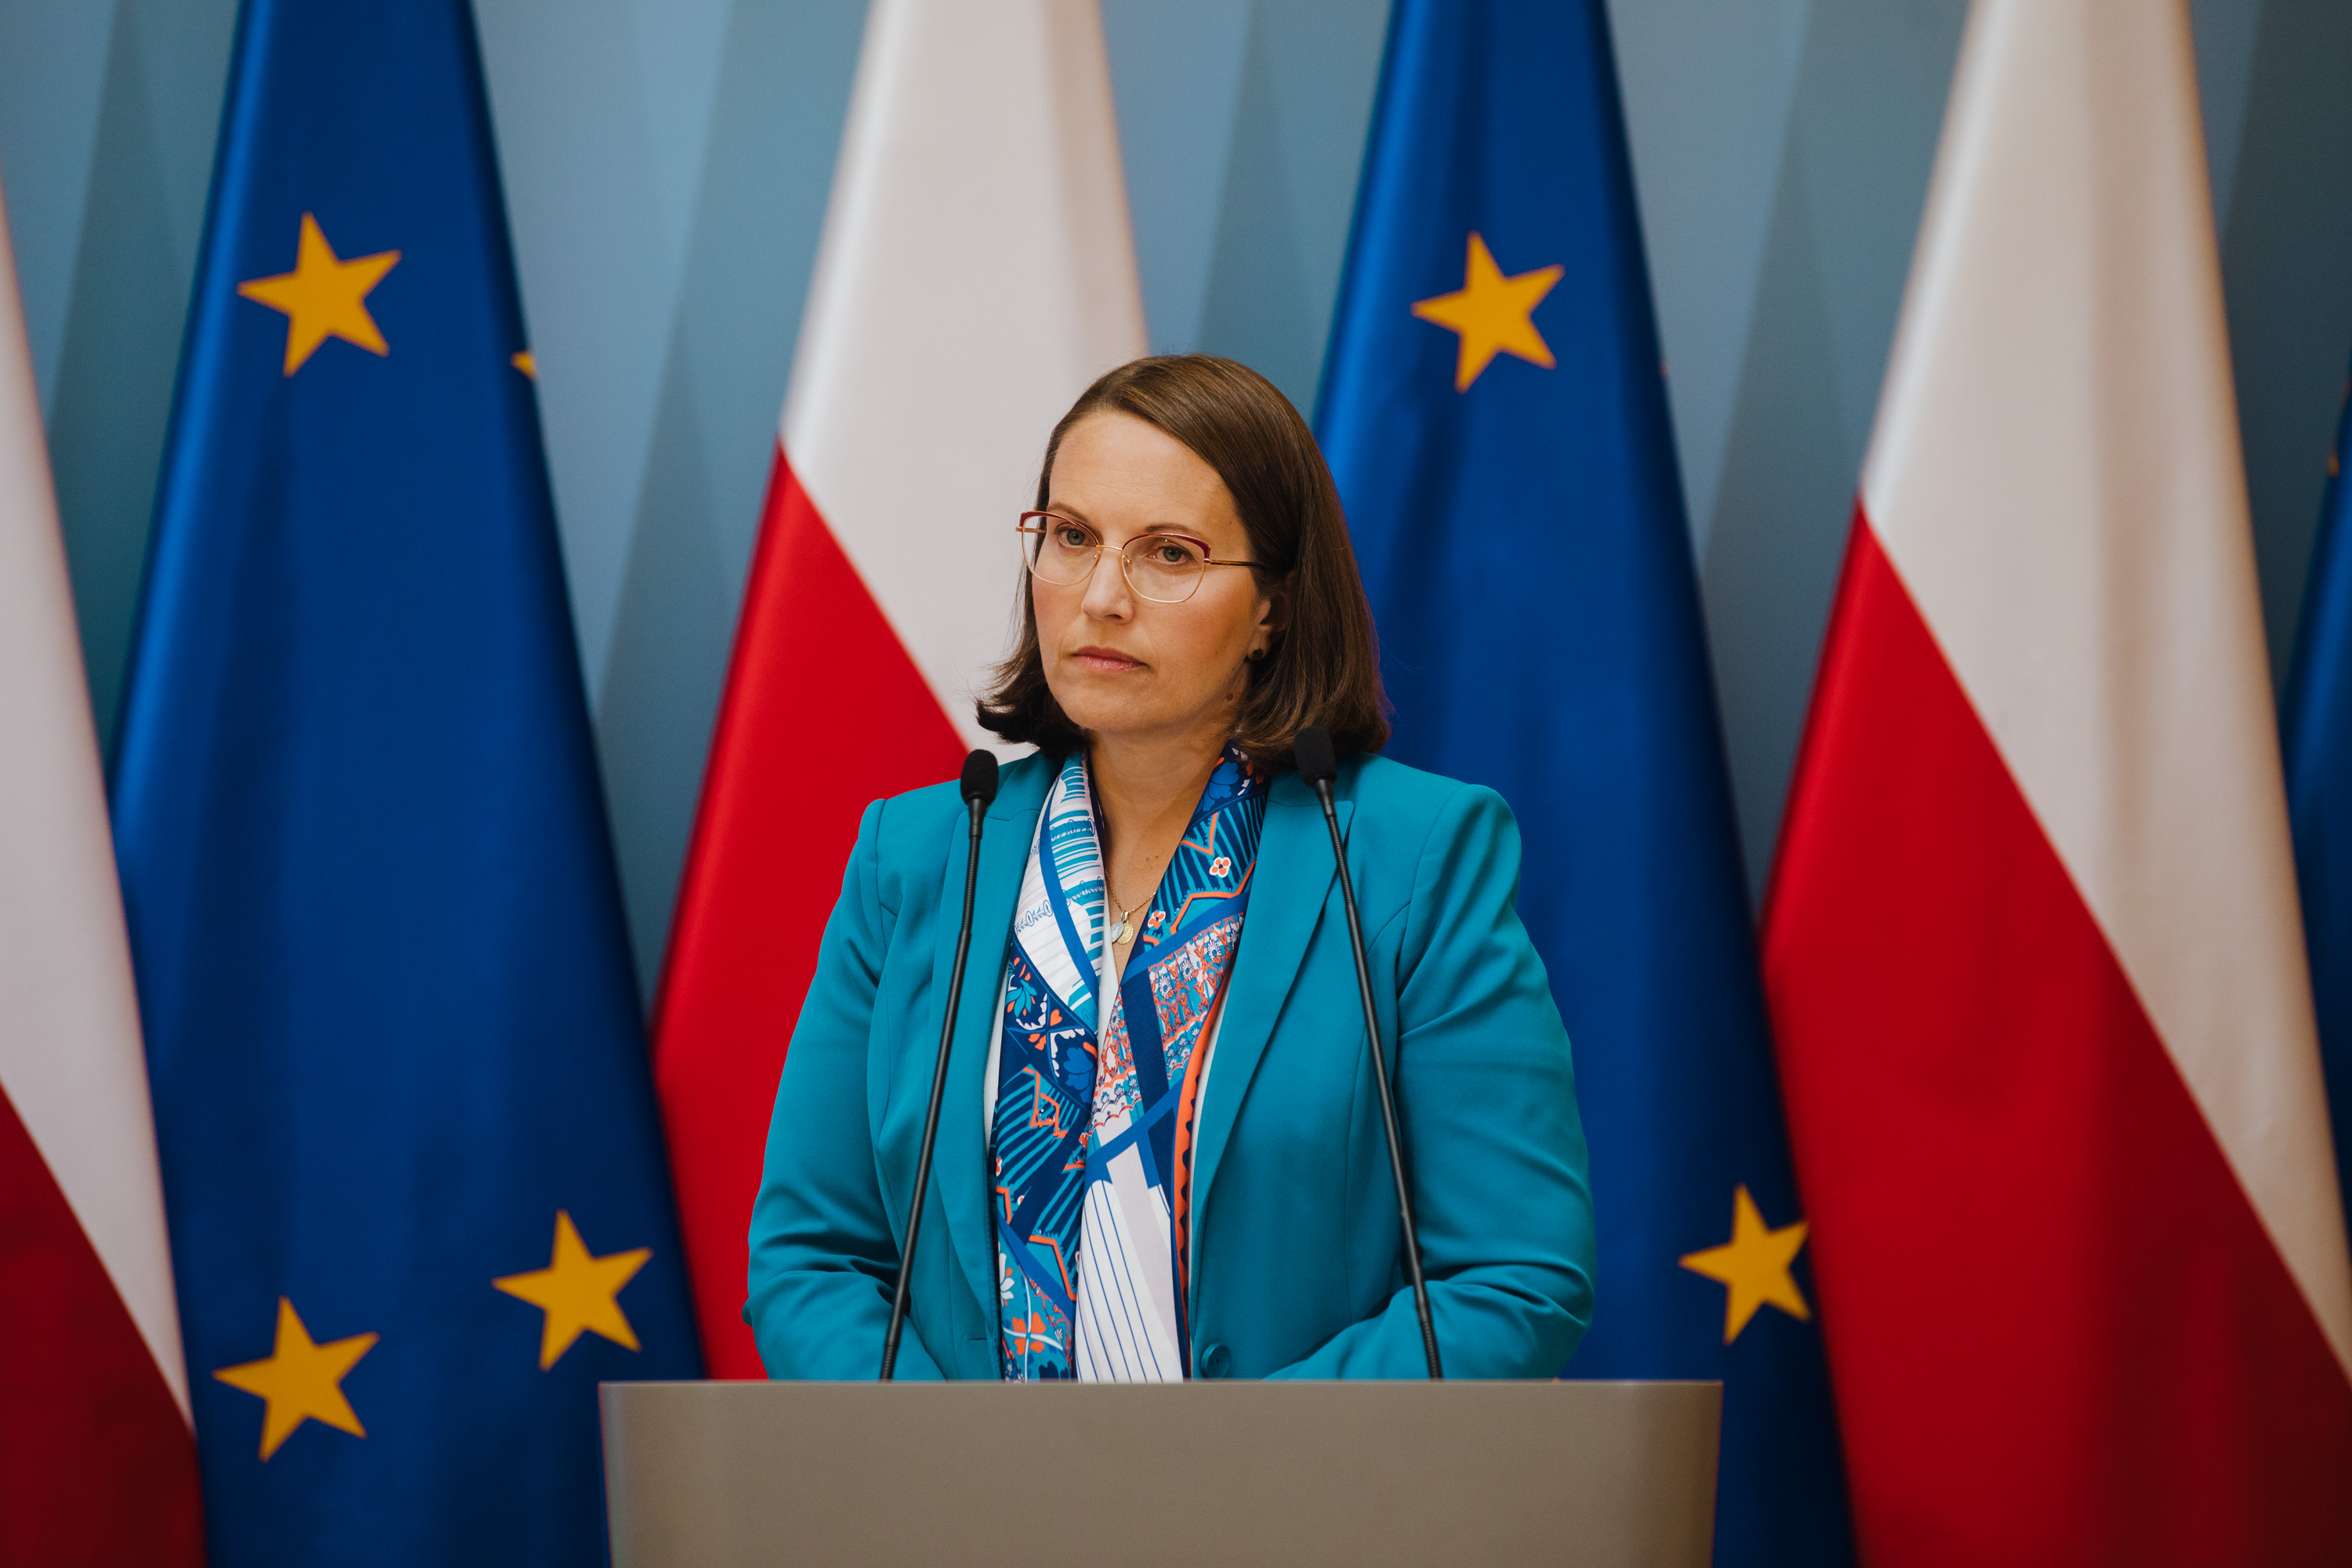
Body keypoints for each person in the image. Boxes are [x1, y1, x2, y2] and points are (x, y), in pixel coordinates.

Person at [746, 354, 1594, 1380]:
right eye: (1072, 537)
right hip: (963, 1482)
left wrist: (1229, 1466)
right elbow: (812, 1258)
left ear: (1274, 608)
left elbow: (1513, 1278)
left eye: (1170, 553)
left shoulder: (1414, 855)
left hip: (1290, 1482)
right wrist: (956, 1460)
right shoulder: (923, 854)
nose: (1102, 596)